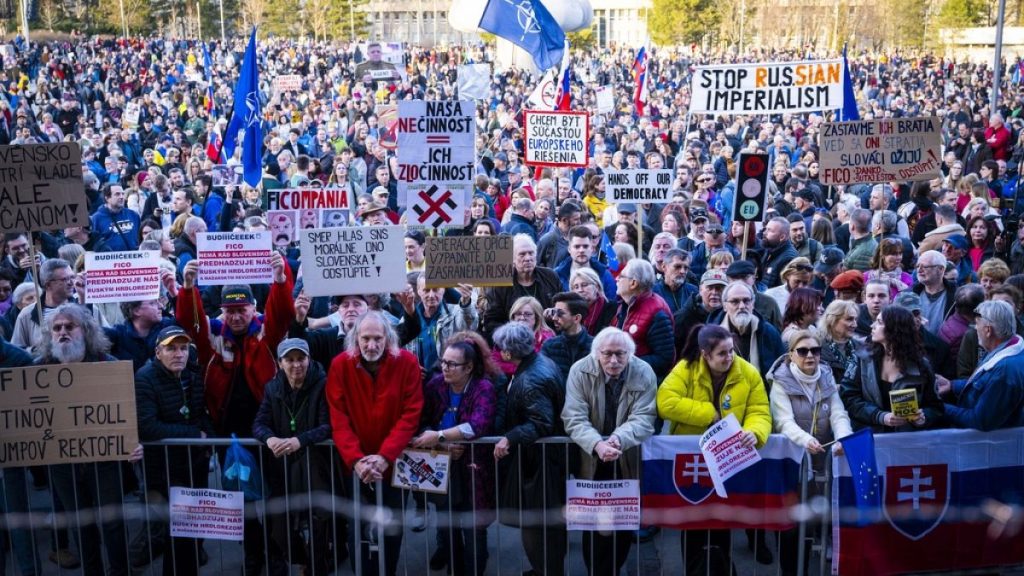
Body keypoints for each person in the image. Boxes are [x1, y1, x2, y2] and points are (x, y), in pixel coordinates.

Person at [657, 323, 772, 575]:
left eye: (731, 351)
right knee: (693, 523)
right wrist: (709, 414)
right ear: (704, 355)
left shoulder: (748, 372)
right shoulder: (686, 369)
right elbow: (665, 402)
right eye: (722, 353)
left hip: (729, 459)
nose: (729, 357)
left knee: (722, 521)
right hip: (693, 462)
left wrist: (755, 431)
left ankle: (721, 569)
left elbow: (759, 410)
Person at [36, 303, 134, 576]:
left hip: (104, 461)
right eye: (57, 328)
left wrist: (131, 441)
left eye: (70, 326)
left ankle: (120, 570)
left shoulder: (108, 366)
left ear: (86, 330)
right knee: (81, 524)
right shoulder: (38, 371)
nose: (63, 332)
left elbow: (126, 412)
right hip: (62, 466)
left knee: (112, 523)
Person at [326, 311, 423, 576]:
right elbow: (339, 417)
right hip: (355, 465)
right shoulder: (340, 365)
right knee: (357, 528)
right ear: (355, 338)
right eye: (365, 338)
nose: (371, 345)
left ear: (388, 337)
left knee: (392, 529)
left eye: (377, 338)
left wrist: (384, 456)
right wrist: (357, 460)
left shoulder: (407, 363)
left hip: (393, 464)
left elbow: (410, 414)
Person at [561, 327, 657, 576]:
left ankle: (614, 568)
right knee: (593, 523)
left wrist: (616, 439)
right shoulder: (580, 370)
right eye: (607, 354)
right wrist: (597, 444)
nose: (614, 361)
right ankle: (597, 570)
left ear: (630, 354)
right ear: (596, 353)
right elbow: (573, 416)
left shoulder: (644, 371)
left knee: (624, 521)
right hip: (590, 457)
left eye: (620, 354)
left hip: (626, 456)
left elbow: (645, 417)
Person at [410, 336, 499, 576]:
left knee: (474, 529)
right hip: (442, 465)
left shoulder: (484, 387)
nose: (445, 368)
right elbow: (422, 420)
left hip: (474, 469)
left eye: (452, 364)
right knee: (447, 526)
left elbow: (477, 426)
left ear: (469, 367)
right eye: (443, 362)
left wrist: (439, 436)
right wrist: (441, 444)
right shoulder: (435, 385)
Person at [767, 329, 852, 576]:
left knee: (817, 515)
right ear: (791, 354)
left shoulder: (826, 375)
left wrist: (843, 438)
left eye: (815, 350)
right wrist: (805, 440)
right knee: (791, 525)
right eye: (802, 351)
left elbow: (838, 412)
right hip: (792, 460)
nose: (810, 356)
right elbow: (783, 421)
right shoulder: (780, 381)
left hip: (822, 457)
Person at [252, 338, 335, 576]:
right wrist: (270, 439)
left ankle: (317, 567)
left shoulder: (323, 383)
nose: (296, 365)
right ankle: (303, 558)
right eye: (289, 359)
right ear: (279, 363)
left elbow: (327, 425)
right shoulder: (272, 388)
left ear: (309, 360)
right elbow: (258, 424)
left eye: (301, 359)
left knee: (319, 523)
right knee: (280, 530)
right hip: (284, 466)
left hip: (315, 464)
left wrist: (300, 440)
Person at [134, 325, 212, 576]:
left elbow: (199, 414)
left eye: (182, 348)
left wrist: (208, 435)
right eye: (171, 349)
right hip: (164, 469)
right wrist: (194, 435)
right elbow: (147, 427)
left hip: (194, 463)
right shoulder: (145, 378)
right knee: (177, 532)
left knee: (191, 529)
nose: (178, 354)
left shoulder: (192, 374)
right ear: (158, 352)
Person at [492, 321, 567, 576]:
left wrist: (510, 437)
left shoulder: (531, 379)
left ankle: (545, 569)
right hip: (542, 461)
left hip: (538, 464)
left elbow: (541, 423)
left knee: (535, 525)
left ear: (508, 352)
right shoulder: (538, 364)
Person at [840, 305, 944, 432]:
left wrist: (923, 418)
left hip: (905, 442)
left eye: (879, 322)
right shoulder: (862, 359)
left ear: (895, 329)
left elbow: (936, 407)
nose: (872, 326)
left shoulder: (921, 365)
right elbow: (849, 398)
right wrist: (880, 417)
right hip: (869, 437)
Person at [939, 300, 1024, 430]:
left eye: (977, 323)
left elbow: (979, 421)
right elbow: (984, 386)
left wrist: (938, 406)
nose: (974, 328)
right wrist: (952, 385)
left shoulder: (1004, 371)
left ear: (988, 330)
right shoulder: (1005, 348)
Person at [482, 234, 561, 338]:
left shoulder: (550, 277)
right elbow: (492, 321)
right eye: (522, 254)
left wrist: (553, 315)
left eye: (531, 253)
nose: (528, 258)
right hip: (513, 339)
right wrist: (511, 336)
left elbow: (561, 308)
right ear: (512, 259)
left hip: (548, 337)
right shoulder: (500, 284)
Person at [614, 259, 676, 379]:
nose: (616, 279)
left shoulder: (657, 313)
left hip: (644, 382)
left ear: (633, 283)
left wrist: (626, 363)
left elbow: (664, 359)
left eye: (621, 276)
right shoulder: (624, 305)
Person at [711, 281, 787, 377]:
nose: (742, 306)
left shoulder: (768, 332)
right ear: (725, 306)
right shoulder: (712, 335)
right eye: (735, 301)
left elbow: (782, 368)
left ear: (753, 304)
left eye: (746, 301)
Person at [540, 291, 594, 379]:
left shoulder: (595, 347)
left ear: (576, 318)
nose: (554, 318)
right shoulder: (549, 346)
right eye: (554, 312)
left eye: (560, 313)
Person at [725, 259, 784, 328]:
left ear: (753, 278)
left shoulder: (769, 303)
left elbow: (777, 333)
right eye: (735, 279)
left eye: (744, 278)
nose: (740, 283)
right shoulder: (723, 302)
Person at [913, 250, 956, 335]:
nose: (919, 270)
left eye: (925, 266)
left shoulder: (957, 297)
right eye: (918, 266)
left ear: (941, 269)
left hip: (944, 346)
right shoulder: (910, 294)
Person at [819, 299, 862, 383]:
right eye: (849, 319)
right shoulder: (816, 348)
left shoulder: (860, 347)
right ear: (832, 320)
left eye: (855, 319)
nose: (855, 325)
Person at [570, 267, 617, 336]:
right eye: (576, 287)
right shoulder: (571, 311)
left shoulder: (611, 307)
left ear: (597, 287)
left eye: (584, 285)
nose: (580, 290)